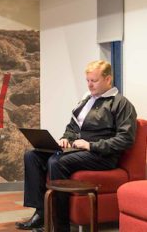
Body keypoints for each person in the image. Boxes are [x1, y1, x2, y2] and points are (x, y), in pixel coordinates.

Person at [15, 60, 137, 232]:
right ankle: (41, 214)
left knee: (57, 162)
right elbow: (72, 128)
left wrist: (91, 145)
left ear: (108, 79)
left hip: (102, 156)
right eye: (87, 80)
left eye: (94, 81)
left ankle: (60, 225)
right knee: (32, 155)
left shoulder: (121, 103)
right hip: (79, 150)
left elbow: (126, 139)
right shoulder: (86, 100)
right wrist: (65, 138)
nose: (89, 84)